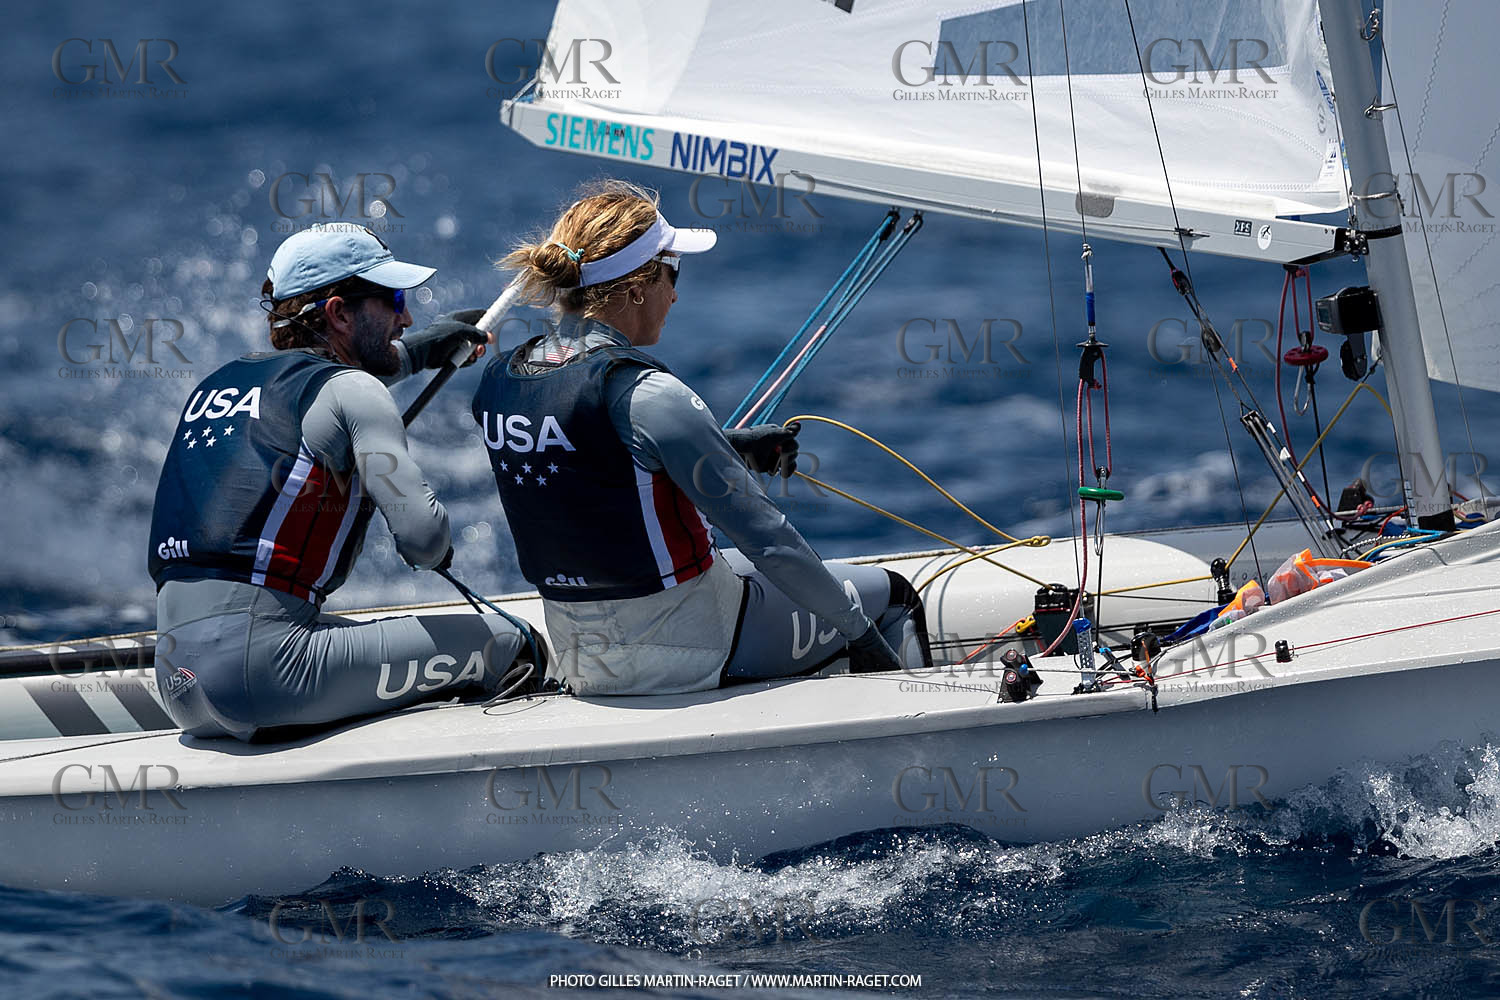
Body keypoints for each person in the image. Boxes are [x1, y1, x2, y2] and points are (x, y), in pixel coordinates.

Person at [471, 181, 931, 696]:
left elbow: (591, 461)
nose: (676, 293)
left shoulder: (500, 381)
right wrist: (859, 633)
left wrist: (722, 444)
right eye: (673, 272)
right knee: (891, 598)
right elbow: (770, 541)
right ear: (638, 287)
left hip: (582, 655)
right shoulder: (651, 395)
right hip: (689, 650)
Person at [149, 223, 538, 741]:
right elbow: (425, 542)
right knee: (511, 644)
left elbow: (328, 391)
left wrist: (424, 348)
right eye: (394, 299)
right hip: (266, 675)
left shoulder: (215, 385)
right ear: (338, 312)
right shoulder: (353, 390)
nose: (408, 316)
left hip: (178, 682)